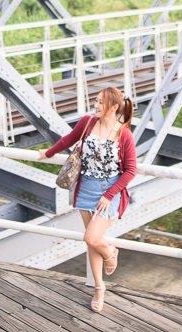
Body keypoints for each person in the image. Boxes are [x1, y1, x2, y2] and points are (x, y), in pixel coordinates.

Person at [39, 87, 136, 313]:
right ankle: (99, 288)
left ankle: (111, 253)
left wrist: (109, 195)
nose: (96, 105)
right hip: (86, 189)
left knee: (92, 238)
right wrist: (49, 153)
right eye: (95, 101)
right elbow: (68, 140)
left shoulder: (124, 134)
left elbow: (130, 171)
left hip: (108, 192)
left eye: (101, 103)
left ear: (114, 107)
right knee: (91, 241)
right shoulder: (87, 122)